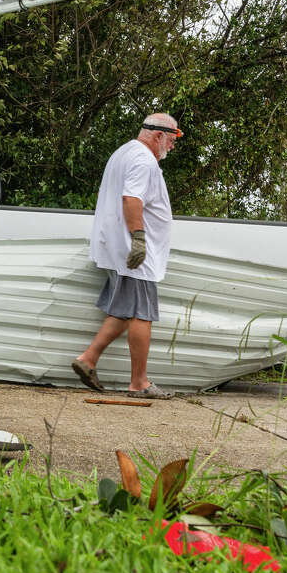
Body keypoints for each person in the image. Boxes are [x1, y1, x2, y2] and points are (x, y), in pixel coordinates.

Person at [71, 113, 180, 399]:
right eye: (171, 139)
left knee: (123, 310)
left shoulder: (124, 152)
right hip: (134, 252)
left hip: (117, 245)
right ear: (158, 135)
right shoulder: (144, 160)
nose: (172, 146)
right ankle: (139, 383)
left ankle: (88, 359)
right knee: (142, 315)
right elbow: (132, 199)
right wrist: (139, 239)